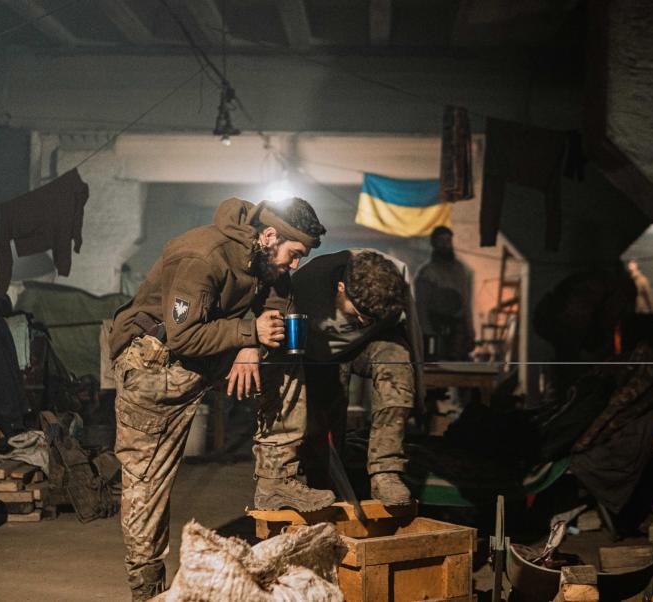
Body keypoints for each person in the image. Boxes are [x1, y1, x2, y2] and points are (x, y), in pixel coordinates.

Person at [106, 196, 335, 600]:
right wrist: (248, 335)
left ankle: (276, 480)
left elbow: (279, 301)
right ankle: (146, 588)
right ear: (268, 235)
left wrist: (251, 347)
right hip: (155, 367)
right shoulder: (201, 255)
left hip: (209, 354)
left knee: (286, 359)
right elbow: (184, 336)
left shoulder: (265, 259)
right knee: (146, 485)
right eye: (294, 254)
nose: (295, 265)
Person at [293, 249, 421, 506]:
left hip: (368, 348)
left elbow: (413, 336)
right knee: (323, 425)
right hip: (322, 354)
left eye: (371, 318)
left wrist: (420, 391)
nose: (363, 321)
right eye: (358, 313)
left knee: (396, 358)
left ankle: (385, 472)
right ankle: (323, 483)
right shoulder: (306, 285)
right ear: (341, 287)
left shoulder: (397, 282)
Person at [414, 226, 475, 360]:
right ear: (434, 244)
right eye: (441, 241)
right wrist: (428, 334)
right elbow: (421, 307)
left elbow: (466, 302)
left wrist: (470, 331)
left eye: (448, 240)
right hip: (436, 328)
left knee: (457, 365)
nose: (445, 245)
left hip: (458, 329)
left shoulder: (461, 270)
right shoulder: (428, 273)